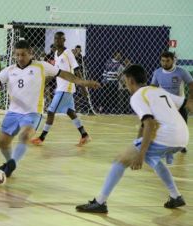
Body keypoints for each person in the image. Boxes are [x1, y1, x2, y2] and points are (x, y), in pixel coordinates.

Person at [76, 64, 193, 213]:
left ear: (130, 80)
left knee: (120, 160)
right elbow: (181, 105)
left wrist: (140, 154)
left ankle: (100, 202)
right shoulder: (157, 90)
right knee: (154, 159)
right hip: (183, 136)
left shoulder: (137, 96)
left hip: (166, 135)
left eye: (125, 81)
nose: (125, 84)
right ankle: (176, 196)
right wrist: (137, 145)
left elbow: (149, 123)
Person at [0, 40, 100, 179]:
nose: (20, 58)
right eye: (17, 55)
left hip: (33, 113)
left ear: (31, 53)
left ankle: (10, 166)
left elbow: (63, 74)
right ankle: (10, 162)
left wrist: (82, 82)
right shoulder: (10, 70)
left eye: (23, 54)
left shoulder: (41, 66)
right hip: (13, 112)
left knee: (24, 136)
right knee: (3, 142)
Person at [31, 32, 90, 146]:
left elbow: (77, 70)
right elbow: (55, 73)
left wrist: (83, 87)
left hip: (66, 87)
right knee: (70, 112)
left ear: (64, 40)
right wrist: (43, 84)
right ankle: (84, 135)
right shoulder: (56, 54)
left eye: (60, 38)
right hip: (61, 88)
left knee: (50, 111)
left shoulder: (68, 53)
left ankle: (42, 138)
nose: (57, 40)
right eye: (56, 38)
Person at [151, 51, 193, 153]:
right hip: (164, 104)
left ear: (173, 60)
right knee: (160, 126)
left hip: (179, 104)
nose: (165, 63)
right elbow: (153, 87)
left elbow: (191, 84)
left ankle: (182, 145)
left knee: (182, 126)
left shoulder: (181, 72)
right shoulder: (157, 72)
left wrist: (190, 99)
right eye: (163, 61)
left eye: (167, 61)